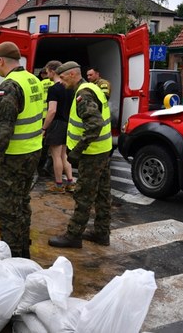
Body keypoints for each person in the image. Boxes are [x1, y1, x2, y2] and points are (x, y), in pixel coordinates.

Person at [0, 42, 44, 259]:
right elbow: (25, 108)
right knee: (22, 203)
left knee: (8, 209)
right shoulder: (32, 80)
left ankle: (13, 259)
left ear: (0, 61)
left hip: (14, 157)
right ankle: (24, 251)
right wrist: (0, 94)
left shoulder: (10, 86)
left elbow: (3, 129)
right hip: (33, 152)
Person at [48, 61, 112, 249]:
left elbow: (95, 124)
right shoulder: (91, 88)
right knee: (102, 194)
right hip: (102, 150)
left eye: (62, 78)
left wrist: (76, 152)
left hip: (92, 154)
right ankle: (102, 233)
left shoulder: (83, 95)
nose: (60, 82)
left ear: (73, 74)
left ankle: (74, 235)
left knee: (84, 195)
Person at [42, 60, 75, 193]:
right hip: (68, 124)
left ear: (52, 71)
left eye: (47, 71)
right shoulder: (69, 87)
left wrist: (44, 128)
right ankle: (70, 182)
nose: (46, 73)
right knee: (64, 155)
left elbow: (52, 111)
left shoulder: (54, 88)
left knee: (56, 156)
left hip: (56, 124)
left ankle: (59, 185)